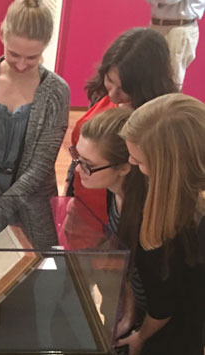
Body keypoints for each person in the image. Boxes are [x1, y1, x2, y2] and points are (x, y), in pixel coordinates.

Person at [0, 0, 70, 248]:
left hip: (34, 202)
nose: (22, 65)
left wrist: (1, 207)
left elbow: (42, 163)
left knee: (36, 275)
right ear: (2, 33)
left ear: (46, 45)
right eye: (14, 54)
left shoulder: (56, 91)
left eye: (32, 57)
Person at [117, 93, 205, 354]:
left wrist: (141, 336)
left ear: (170, 168)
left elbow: (166, 302)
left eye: (141, 161)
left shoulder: (190, 224)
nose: (131, 162)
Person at [68, 27, 177, 223]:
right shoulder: (102, 96)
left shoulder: (157, 126)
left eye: (125, 89)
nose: (112, 94)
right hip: (84, 201)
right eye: (109, 81)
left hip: (118, 219)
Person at [72, 107, 147, 337]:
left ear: (124, 167)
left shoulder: (147, 215)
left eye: (88, 164)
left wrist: (136, 329)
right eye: (77, 158)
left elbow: (160, 293)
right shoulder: (113, 191)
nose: (77, 169)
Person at [146, 0, 205, 88]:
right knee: (148, 74)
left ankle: (169, 101)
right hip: (156, 25)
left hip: (179, 26)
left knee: (171, 78)